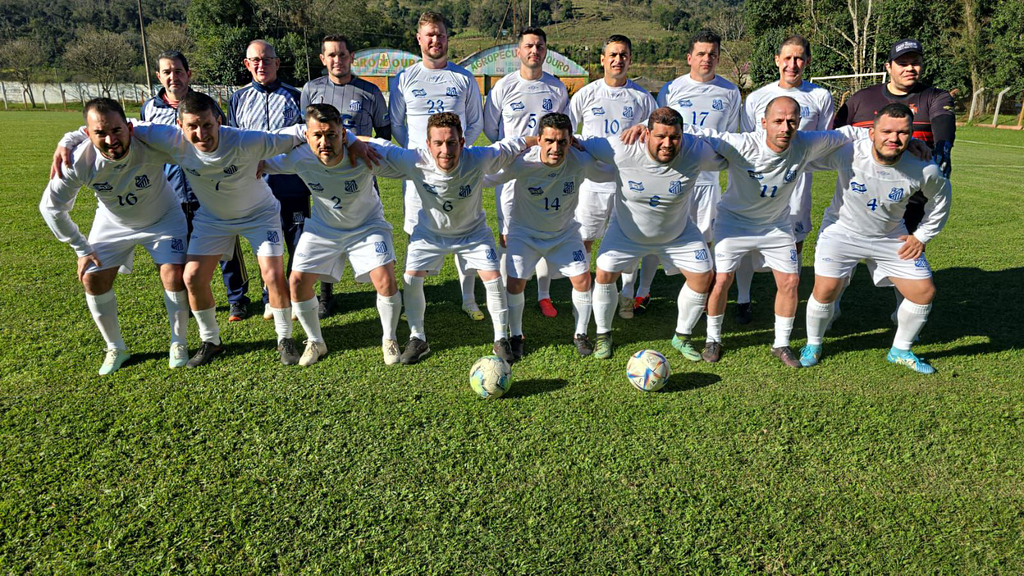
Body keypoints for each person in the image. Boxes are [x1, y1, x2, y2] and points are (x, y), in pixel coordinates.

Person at [56, 92, 374, 366]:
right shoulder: (168, 140)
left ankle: (284, 339)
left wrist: (354, 140)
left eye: (207, 125)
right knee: (192, 277)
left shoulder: (248, 140)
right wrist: (68, 139)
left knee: (273, 275)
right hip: (213, 219)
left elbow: (302, 131)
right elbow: (114, 128)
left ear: (218, 121)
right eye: (192, 127)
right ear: (179, 127)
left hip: (260, 215)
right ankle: (211, 341)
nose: (201, 134)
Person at [84, 51, 253, 323]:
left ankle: (237, 299)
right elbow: (129, 136)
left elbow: (224, 140)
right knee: (181, 253)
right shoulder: (149, 108)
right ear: (159, 76)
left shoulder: (204, 104)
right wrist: (69, 141)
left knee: (225, 245)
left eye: (178, 71)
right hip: (170, 192)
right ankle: (187, 298)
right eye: (166, 72)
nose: (173, 76)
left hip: (209, 188)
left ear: (188, 74)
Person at [692, 96, 858, 367]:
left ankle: (781, 344)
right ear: (764, 123)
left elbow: (846, 134)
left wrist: (880, 133)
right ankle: (713, 339)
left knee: (790, 282)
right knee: (721, 280)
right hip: (734, 222)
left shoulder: (805, 142)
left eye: (792, 121)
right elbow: (700, 131)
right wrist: (645, 126)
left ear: (799, 123)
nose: (785, 128)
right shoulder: (741, 144)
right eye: (778, 121)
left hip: (776, 226)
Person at [370, 112, 537, 365]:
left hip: (473, 232)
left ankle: (501, 338)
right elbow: (381, 146)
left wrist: (539, 139)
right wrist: (351, 140)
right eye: (438, 143)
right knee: (411, 278)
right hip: (429, 233)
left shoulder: (479, 158)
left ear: (462, 142)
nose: (445, 150)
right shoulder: (414, 160)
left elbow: (511, 144)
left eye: (451, 142)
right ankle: (418, 338)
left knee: (493, 279)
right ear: (428, 145)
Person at [40, 98, 190, 374]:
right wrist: (81, 248)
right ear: (88, 134)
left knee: (174, 275)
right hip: (113, 223)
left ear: (130, 128)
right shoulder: (77, 160)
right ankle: (115, 347)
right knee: (92, 277)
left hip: (164, 219)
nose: (111, 140)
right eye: (100, 133)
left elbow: (197, 139)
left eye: (117, 131)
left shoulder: (153, 139)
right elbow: (51, 208)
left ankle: (178, 342)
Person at [799, 103, 950, 373]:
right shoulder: (849, 152)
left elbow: (940, 201)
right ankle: (813, 344)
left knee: (923, 292)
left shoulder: (924, 168)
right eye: (887, 131)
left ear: (912, 134)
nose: (894, 138)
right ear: (871, 133)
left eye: (903, 133)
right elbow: (807, 153)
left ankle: (900, 350)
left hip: (890, 237)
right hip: (841, 232)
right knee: (825, 290)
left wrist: (922, 235)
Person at [576, 107, 726, 360]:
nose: (668, 143)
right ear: (646, 134)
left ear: (683, 135)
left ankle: (682, 336)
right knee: (603, 273)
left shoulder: (696, 150)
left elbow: (734, 149)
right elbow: (580, 143)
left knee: (703, 276)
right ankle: (603, 336)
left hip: (678, 233)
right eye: (660, 137)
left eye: (675, 137)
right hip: (626, 232)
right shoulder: (622, 146)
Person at [261, 104, 401, 366]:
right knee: (298, 281)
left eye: (332, 135)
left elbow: (400, 157)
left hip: (367, 226)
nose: (325, 142)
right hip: (324, 229)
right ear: (307, 135)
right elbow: (260, 155)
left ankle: (389, 339)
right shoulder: (299, 157)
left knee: (384, 278)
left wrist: (361, 141)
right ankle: (316, 341)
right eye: (317, 135)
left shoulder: (364, 154)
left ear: (343, 134)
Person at [830, 39, 955, 321]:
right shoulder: (863, 98)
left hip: (911, 196)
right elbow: (837, 136)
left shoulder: (935, 97)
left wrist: (941, 148)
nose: (911, 68)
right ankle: (832, 303)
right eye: (903, 62)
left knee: (905, 251)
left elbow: (943, 127)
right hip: (860, 192)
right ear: (888, 67)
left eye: (916, 62)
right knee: (843, 251)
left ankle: (903, 309)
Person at [485, 113, 614, 358]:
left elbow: (609, 173)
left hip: (564, 233)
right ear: (539, 140)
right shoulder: (523, 162)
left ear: (570, 141)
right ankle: (516, 335)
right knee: (515, 283)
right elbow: (489, 179)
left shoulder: (580, 161)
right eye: (550, 141)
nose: (556, 148)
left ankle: (580, 333)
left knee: (583, 280)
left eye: (562, 142)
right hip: (525, 234)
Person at [389, 11, 485, 320]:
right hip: (420, 174)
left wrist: (456, 154)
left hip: (457, 169)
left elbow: (474, 124)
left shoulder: (463, 78)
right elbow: (397, 125)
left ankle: (469, 299)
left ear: (447, 38)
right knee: (416, 231)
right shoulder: (405, 78)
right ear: (419, 38)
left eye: (440, 34)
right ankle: (416, 299)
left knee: (464, 228)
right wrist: (421, 157)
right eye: (429, 34)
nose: (435, 39)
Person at [735, 35, 834, 325]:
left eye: (799, 58)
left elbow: (825, 140)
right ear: (777, 60)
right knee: (748, 240)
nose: (793, 64)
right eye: (787, 58)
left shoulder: (820, 96)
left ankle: (789, 297)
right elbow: (749, 142)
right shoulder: (756, 98)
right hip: (760, 183)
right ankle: (742, 299)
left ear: (808, 61)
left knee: (795, 240)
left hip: (798, 183)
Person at [645, 29, 741, 314]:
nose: (706, 59)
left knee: (706, 235)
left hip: (709, 179)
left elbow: (737, 135)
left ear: (719, 58)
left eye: (712, 54)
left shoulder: (730, 91)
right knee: (657, 230)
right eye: (700, 53)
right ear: (689, 57)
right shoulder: (672, 88)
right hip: (674, 174)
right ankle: (642, 290)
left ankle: (704, 290)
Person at [301, 34, 392, 319]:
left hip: (359, 173)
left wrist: (360, 150)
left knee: (366, 225)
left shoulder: (369, 91)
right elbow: (301, 132)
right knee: (328, 229)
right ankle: (327, 297)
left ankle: (382, 289)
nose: (337, 60)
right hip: (325, 175)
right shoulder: (311, 89)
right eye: (331, 55)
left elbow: (384, 133)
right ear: (322, 59)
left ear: (351, 57)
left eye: (342, 54)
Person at [568, 34, 657, 320]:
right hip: (592, 182)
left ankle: (627, 295)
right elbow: (568, 131)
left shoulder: (642, 97)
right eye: (613, 55)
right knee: (584, 240)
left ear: (630, 60)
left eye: (623, 55)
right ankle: (584, 294)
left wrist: (643, 127)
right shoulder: (586, 93)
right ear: (603, 59)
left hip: (629, 185)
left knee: (629, 241)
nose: (618, 60)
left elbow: (655, 130)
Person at [483, 26, 570, 319]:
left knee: (546, 230)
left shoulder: (556, 88)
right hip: (511, 170)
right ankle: (511, 293)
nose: (535, 51)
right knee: (508, 234)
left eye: (540, 46)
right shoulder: (503, 87)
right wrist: (512, 150)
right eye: (529, 46)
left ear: (545, 51)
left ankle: (544, 295)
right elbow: (490, 128)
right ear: (518, 51)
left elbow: (563, 128)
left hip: (548, 169)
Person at [228, 40, 309, 322]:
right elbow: (233, 142)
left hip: (291, 183)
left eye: (267, 59)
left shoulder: (296, 96)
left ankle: (295, 296)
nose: (261, 65)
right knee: (266, 244)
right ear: (247, 64)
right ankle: (269, 298)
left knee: (297, 242)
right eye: (255, 60)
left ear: (277, 63)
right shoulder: (238, 99)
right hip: (254, 185)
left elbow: (305, 141)